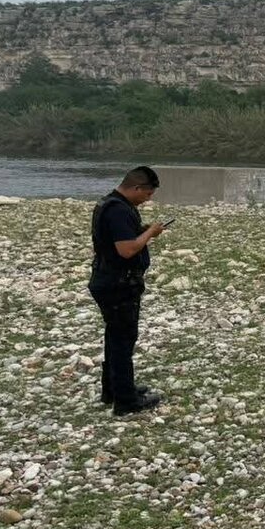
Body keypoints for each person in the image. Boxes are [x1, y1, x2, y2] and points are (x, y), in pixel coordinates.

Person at [88, 166, 165, 416]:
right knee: (123, 340)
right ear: (136, 187)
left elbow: (116, 240)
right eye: (147, 194)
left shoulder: (109, 204)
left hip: (108, 279)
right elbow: (127, 249)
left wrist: (141, 231)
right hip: (118, 284)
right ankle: (126, 400)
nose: (148, 199)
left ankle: (113, 389)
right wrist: (150, 233)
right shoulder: (118, 210)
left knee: (115, 335)